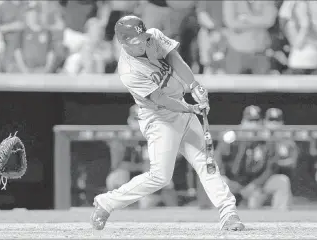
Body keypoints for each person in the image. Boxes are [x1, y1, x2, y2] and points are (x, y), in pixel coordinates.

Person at [90, 15, 244, 231]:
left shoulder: (152, 36)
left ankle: (229, 213)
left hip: (181, 105)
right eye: (135, 41)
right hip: (158, 118)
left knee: (206, 163)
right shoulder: (128, 70)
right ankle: (106, 202)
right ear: (123, 42)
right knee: (160, 177)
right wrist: (191, 108)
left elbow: (175, 59)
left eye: (142, 37)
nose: (142, 42)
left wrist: (194, 85)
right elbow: (160, 100)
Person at [216, 106, 293, 210]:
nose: (252, 125)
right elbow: (220, 161)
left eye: (256, 121)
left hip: (258, 185)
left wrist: (255, 185)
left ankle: (280, 221)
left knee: (282, 181)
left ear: (260, 122)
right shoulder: (232, 138)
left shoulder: (267, 140)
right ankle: (215, 219)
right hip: (235, 183)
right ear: (243, 122)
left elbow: (271, 168)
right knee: (218, 181)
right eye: (249, 121)